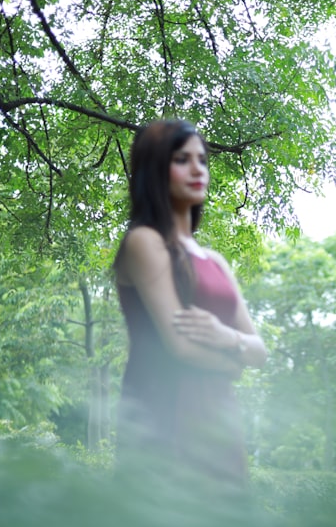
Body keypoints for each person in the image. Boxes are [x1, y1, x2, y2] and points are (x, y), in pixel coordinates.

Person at [113, 120, 266, 485]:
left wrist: (227, 338)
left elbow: (259, 350)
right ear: (154, 169)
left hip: (219, 417)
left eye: (202, 159)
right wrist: (234, 365)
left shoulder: (215, 261)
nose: (198, 169)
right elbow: (180, 347)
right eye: (182, 159)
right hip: (163, 411)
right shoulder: (143, 242)